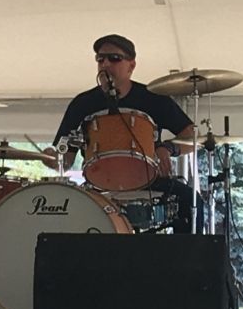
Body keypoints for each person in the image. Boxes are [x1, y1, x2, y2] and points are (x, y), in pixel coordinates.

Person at [43, 34, 203, 233]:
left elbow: (193, 136)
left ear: (131, 65)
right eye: (100, 59)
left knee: (192, 201)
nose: (105, 64)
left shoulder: (153, 97)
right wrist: (53, 159)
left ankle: (188, 255)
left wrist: (169, 148)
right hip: (99, 183)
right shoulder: (82, 103)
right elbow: (65, 159)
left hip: (149, 180)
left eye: (114, 58)